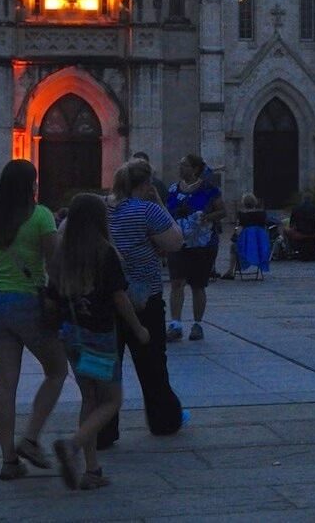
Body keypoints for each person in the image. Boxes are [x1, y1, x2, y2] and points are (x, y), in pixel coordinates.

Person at [47, 194, 151, 491]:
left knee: (90, 398)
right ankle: (73, 446)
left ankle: (92, 470)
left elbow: (52, 298)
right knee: (112, 400)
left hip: (72, 337)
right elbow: (119, 297)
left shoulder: (61, 253)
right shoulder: (105, 253)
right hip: (100, 338)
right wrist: (138, 328)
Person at [0, 159, 66, 479]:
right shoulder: (40, 216)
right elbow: (54, 265)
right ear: (31, 184)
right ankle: (30, 437)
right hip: (28, 302)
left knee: (5, 384)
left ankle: (8, 460)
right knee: (56, 370)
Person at [99, 159, 184, 448]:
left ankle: (103, 428)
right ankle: (163, 420)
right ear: (145, 184)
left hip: (106, 299)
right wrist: (159, 204)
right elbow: (175, 242)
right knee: (152, 364)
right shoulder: (146, 209)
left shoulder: (102, 208)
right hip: (143, 298)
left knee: (106, 366)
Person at [165, 154, 226, 342]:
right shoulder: (173, 189)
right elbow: (168, 211)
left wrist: (207, 218)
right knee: (176, 282)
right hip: (178, 242)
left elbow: (222, 211)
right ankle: (175, 324)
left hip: (202, 243)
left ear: (195, 169)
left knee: (198, 285)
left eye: (184, 165)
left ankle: (198, 324)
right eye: (180, 165)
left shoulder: (209, 189)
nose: (180, 168)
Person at [228, 193, 272, 280]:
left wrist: (234, 237)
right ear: (255, 202)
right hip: (260, 246)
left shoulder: (241, 215)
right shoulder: (262, 214)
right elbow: (265, 228)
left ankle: (230, 271)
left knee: (233, 246)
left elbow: (239, 229)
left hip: (245, 245)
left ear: (243, 203)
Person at [283, 193, 315, 259]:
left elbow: (292, 223)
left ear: (303, 199)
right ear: (311, 199)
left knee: (285, 231)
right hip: (314, 233)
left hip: (299, 232)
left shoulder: (296, 208)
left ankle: (288, 251)